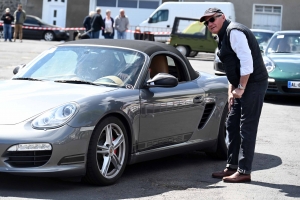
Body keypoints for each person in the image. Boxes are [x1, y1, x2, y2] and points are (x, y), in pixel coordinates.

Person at [199, 8, 268, 183]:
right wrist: (232, 91)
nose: (210, 24)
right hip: (240, 85)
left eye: (212, 19)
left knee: (246, 127)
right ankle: (231, 167)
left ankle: (244, 171)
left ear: (222, 17)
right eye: (206, 22)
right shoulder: (222, 35)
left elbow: (246, 62)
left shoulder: (234, 32)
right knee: (232, 123)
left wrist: (242, 87)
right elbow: (232, 66)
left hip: (253, 83)